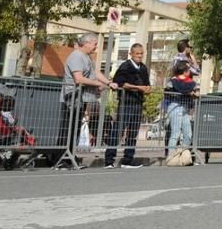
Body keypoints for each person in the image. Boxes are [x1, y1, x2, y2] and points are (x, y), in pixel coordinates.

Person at [55, 33, 117, 168]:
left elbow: (96, 73)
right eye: (95, 43)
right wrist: (97, 84)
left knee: (75, 128)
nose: (96, 46)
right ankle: (61, 158)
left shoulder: (87, 57)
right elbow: (78, 78)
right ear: (87, 43)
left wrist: (109, 82)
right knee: (68, 128)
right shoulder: (77, 56)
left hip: (81, 98)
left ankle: (70, 155)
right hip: (72, 97)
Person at [104, 43, 152, 169]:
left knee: (133, 132)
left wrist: (147, 89)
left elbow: (147, 84)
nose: (139, 56)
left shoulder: (143, 68)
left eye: (141, 53)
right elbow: (121, 83)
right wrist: (138, 87)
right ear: (131, 54)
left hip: (138, 103)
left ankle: (128, 159)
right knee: (118, 131)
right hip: (126, 103)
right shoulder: (125, 66)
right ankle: (109, 160)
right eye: (137, 53)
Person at [167, 62, 198, 153]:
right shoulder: (173, 81)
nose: (190, 72)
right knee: (175, 133)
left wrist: (191, 93)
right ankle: (171, 155)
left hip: (185, 108)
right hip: (175, 106)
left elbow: (191, 88)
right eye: (188, 70)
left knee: (188, 133)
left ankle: (184, 154)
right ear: (184, 71)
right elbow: (179, 89)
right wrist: (189, 92)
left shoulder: (191, 82)